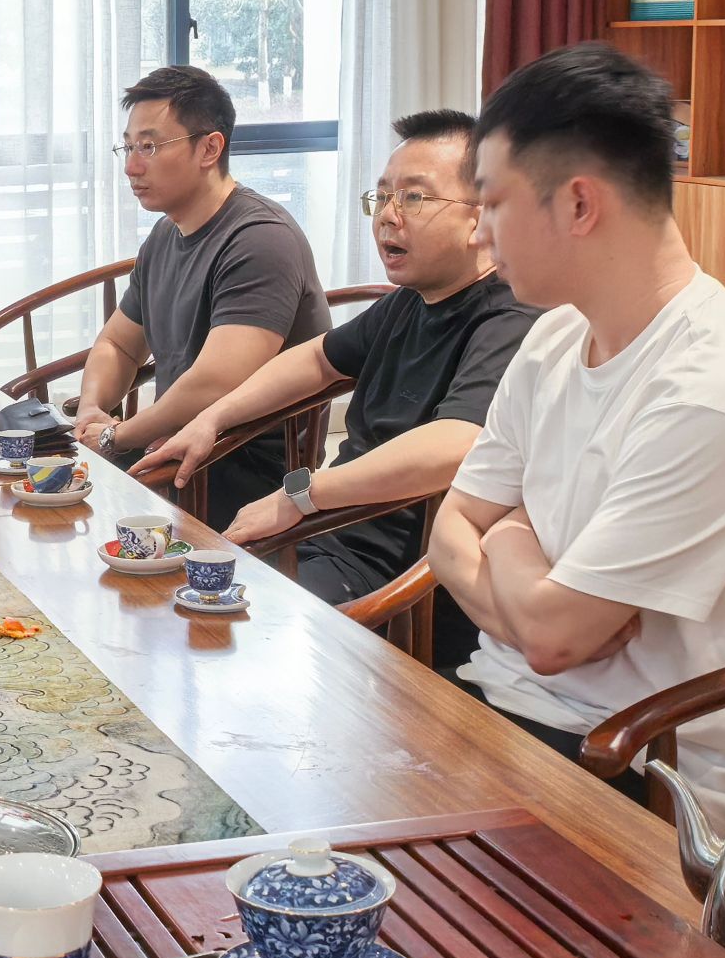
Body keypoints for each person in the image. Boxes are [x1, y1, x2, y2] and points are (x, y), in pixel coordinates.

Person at [425, 43, 725, 827]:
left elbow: (553, 637)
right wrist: (522, 566)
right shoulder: (552, 338)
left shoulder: (713, 389)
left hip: (638, 771)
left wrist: (505, 537)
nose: (479, 236)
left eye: (493, 205)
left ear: (578, 205)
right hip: (509, 708)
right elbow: (449, 531)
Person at [133, 110, 538, 668]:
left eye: (414, 198)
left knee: (196, 637)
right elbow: (316, 360)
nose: (388, 216)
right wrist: (213, 418)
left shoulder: (510, 316)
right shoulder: (410, 302)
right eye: (383, 197)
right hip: (325, 539)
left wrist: (299, 495)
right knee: (152, 600)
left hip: (401, 584)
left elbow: (456, 443)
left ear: (482, 216)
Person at [72, 65, 329, 527]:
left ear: (209, 148)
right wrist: (93, 409)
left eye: (149, 146)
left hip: (239, 468)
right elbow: (118, 344)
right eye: (128, 147)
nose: (131, 166)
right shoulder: (164, 235)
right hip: (170, 450)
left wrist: (118, 437)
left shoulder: (260, 239)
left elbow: (216, 383)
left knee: (62, 517)